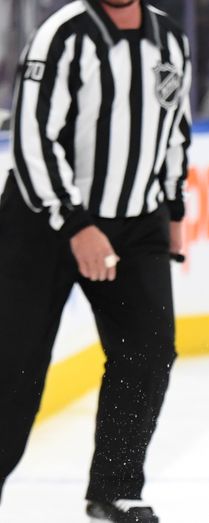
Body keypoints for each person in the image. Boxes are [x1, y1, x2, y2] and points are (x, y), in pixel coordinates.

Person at [0, 1, 191, 521]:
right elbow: (33, 138)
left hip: (137, 221)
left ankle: (115, 487)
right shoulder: (61, 35)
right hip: (43, 221)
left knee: (148, 353)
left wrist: (174, 208)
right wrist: (75, 223)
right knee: (12, 367)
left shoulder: (171, 40)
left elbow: (175, 129)